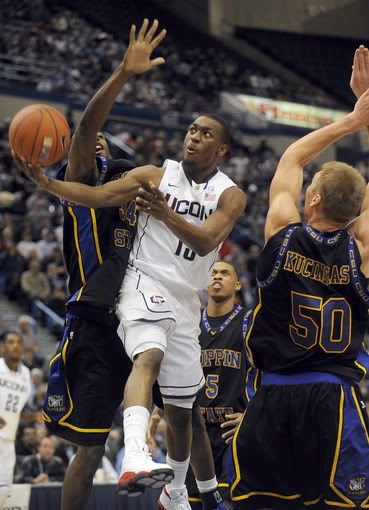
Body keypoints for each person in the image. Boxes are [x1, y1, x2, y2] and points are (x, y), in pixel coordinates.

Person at [18, 109, 246, 509]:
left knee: (181, 409)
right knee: (148, 358)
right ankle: (137, 455)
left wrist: (163, 213)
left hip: (187, 301)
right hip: (143, 283)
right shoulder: (155, 175)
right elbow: (97, 195)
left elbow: (208, 242)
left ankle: (177, 490)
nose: (193, 136)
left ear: (221, 149)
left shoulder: (230, 194)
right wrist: (48, 183)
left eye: (205, 133)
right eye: (191, 128)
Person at [14, 18, 167, 510]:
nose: (98, 141)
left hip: (143, 315)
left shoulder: (131, 187)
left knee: (190, 416)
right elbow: (84, 129)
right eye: (93, 140)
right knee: (90, 445)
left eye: (105, 141)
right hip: (97, 320)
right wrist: (124, 73)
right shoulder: (80, 185)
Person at [227, 61, 369, 509]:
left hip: (273, 396)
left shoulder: (282, 230)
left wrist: (354, 119)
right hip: (335, 398)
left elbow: (292, 158)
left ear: (312, 199)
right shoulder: (361, 249)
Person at [148, 261, 259, 509]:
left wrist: (254, 415)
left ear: (238, 284)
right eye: (213, 273)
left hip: (231, 434)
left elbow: (269, 373)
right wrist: (156, 415)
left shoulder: (249, 322)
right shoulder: (188, 324)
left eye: (225, 273)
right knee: (184, 503)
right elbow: (175, 377)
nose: (217, 277)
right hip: (194, 434)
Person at [0, 332, 31, 509]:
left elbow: (19, 409)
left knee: (4, 492)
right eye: (10, 342)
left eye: (19, 342)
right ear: (2, 346)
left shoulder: (25, 373)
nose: (15, 345)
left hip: (9, 441)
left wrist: (34, 416)